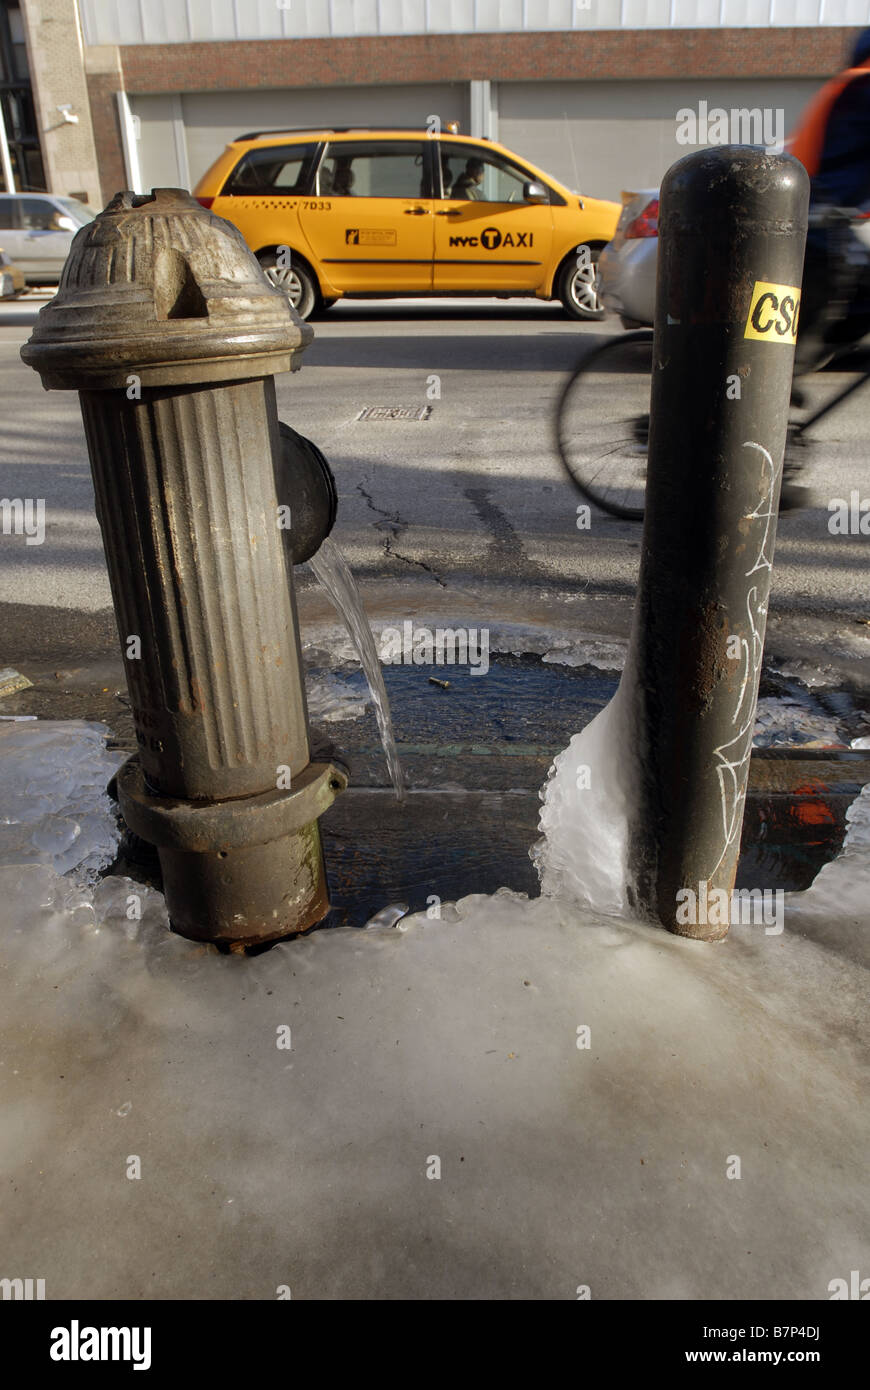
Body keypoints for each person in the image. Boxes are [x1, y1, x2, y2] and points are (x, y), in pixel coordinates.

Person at [788, 28, 870, 372]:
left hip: (816, 216)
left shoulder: (852, 82)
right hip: (819, 222)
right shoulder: (863, 87)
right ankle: (776, 388)